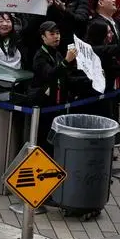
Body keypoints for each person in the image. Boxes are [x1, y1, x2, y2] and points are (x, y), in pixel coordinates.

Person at [28, 21, 77, 154]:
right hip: (44, 106)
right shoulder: (40, 56)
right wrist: (66, 61)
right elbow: (50, 74)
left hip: (58, 104)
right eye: (52, 34)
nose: (56, 36)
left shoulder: (56, 53)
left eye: (58, 33)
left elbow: (66, 77)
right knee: (44, 141)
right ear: (43, 37)